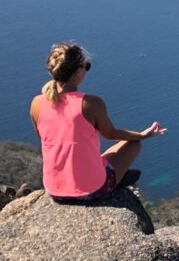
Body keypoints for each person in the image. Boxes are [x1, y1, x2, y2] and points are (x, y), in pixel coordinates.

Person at [29, 43, 166, 202]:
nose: (86, 70)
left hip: (54, 190)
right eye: (86, 66)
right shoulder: (90, 103)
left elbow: (45, 138)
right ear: (78, 71)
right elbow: (110, 134)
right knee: (133, 143)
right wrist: (143, 135)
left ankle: (109, 173)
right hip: (93, 190)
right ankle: (117, 178)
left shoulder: (37, 103)